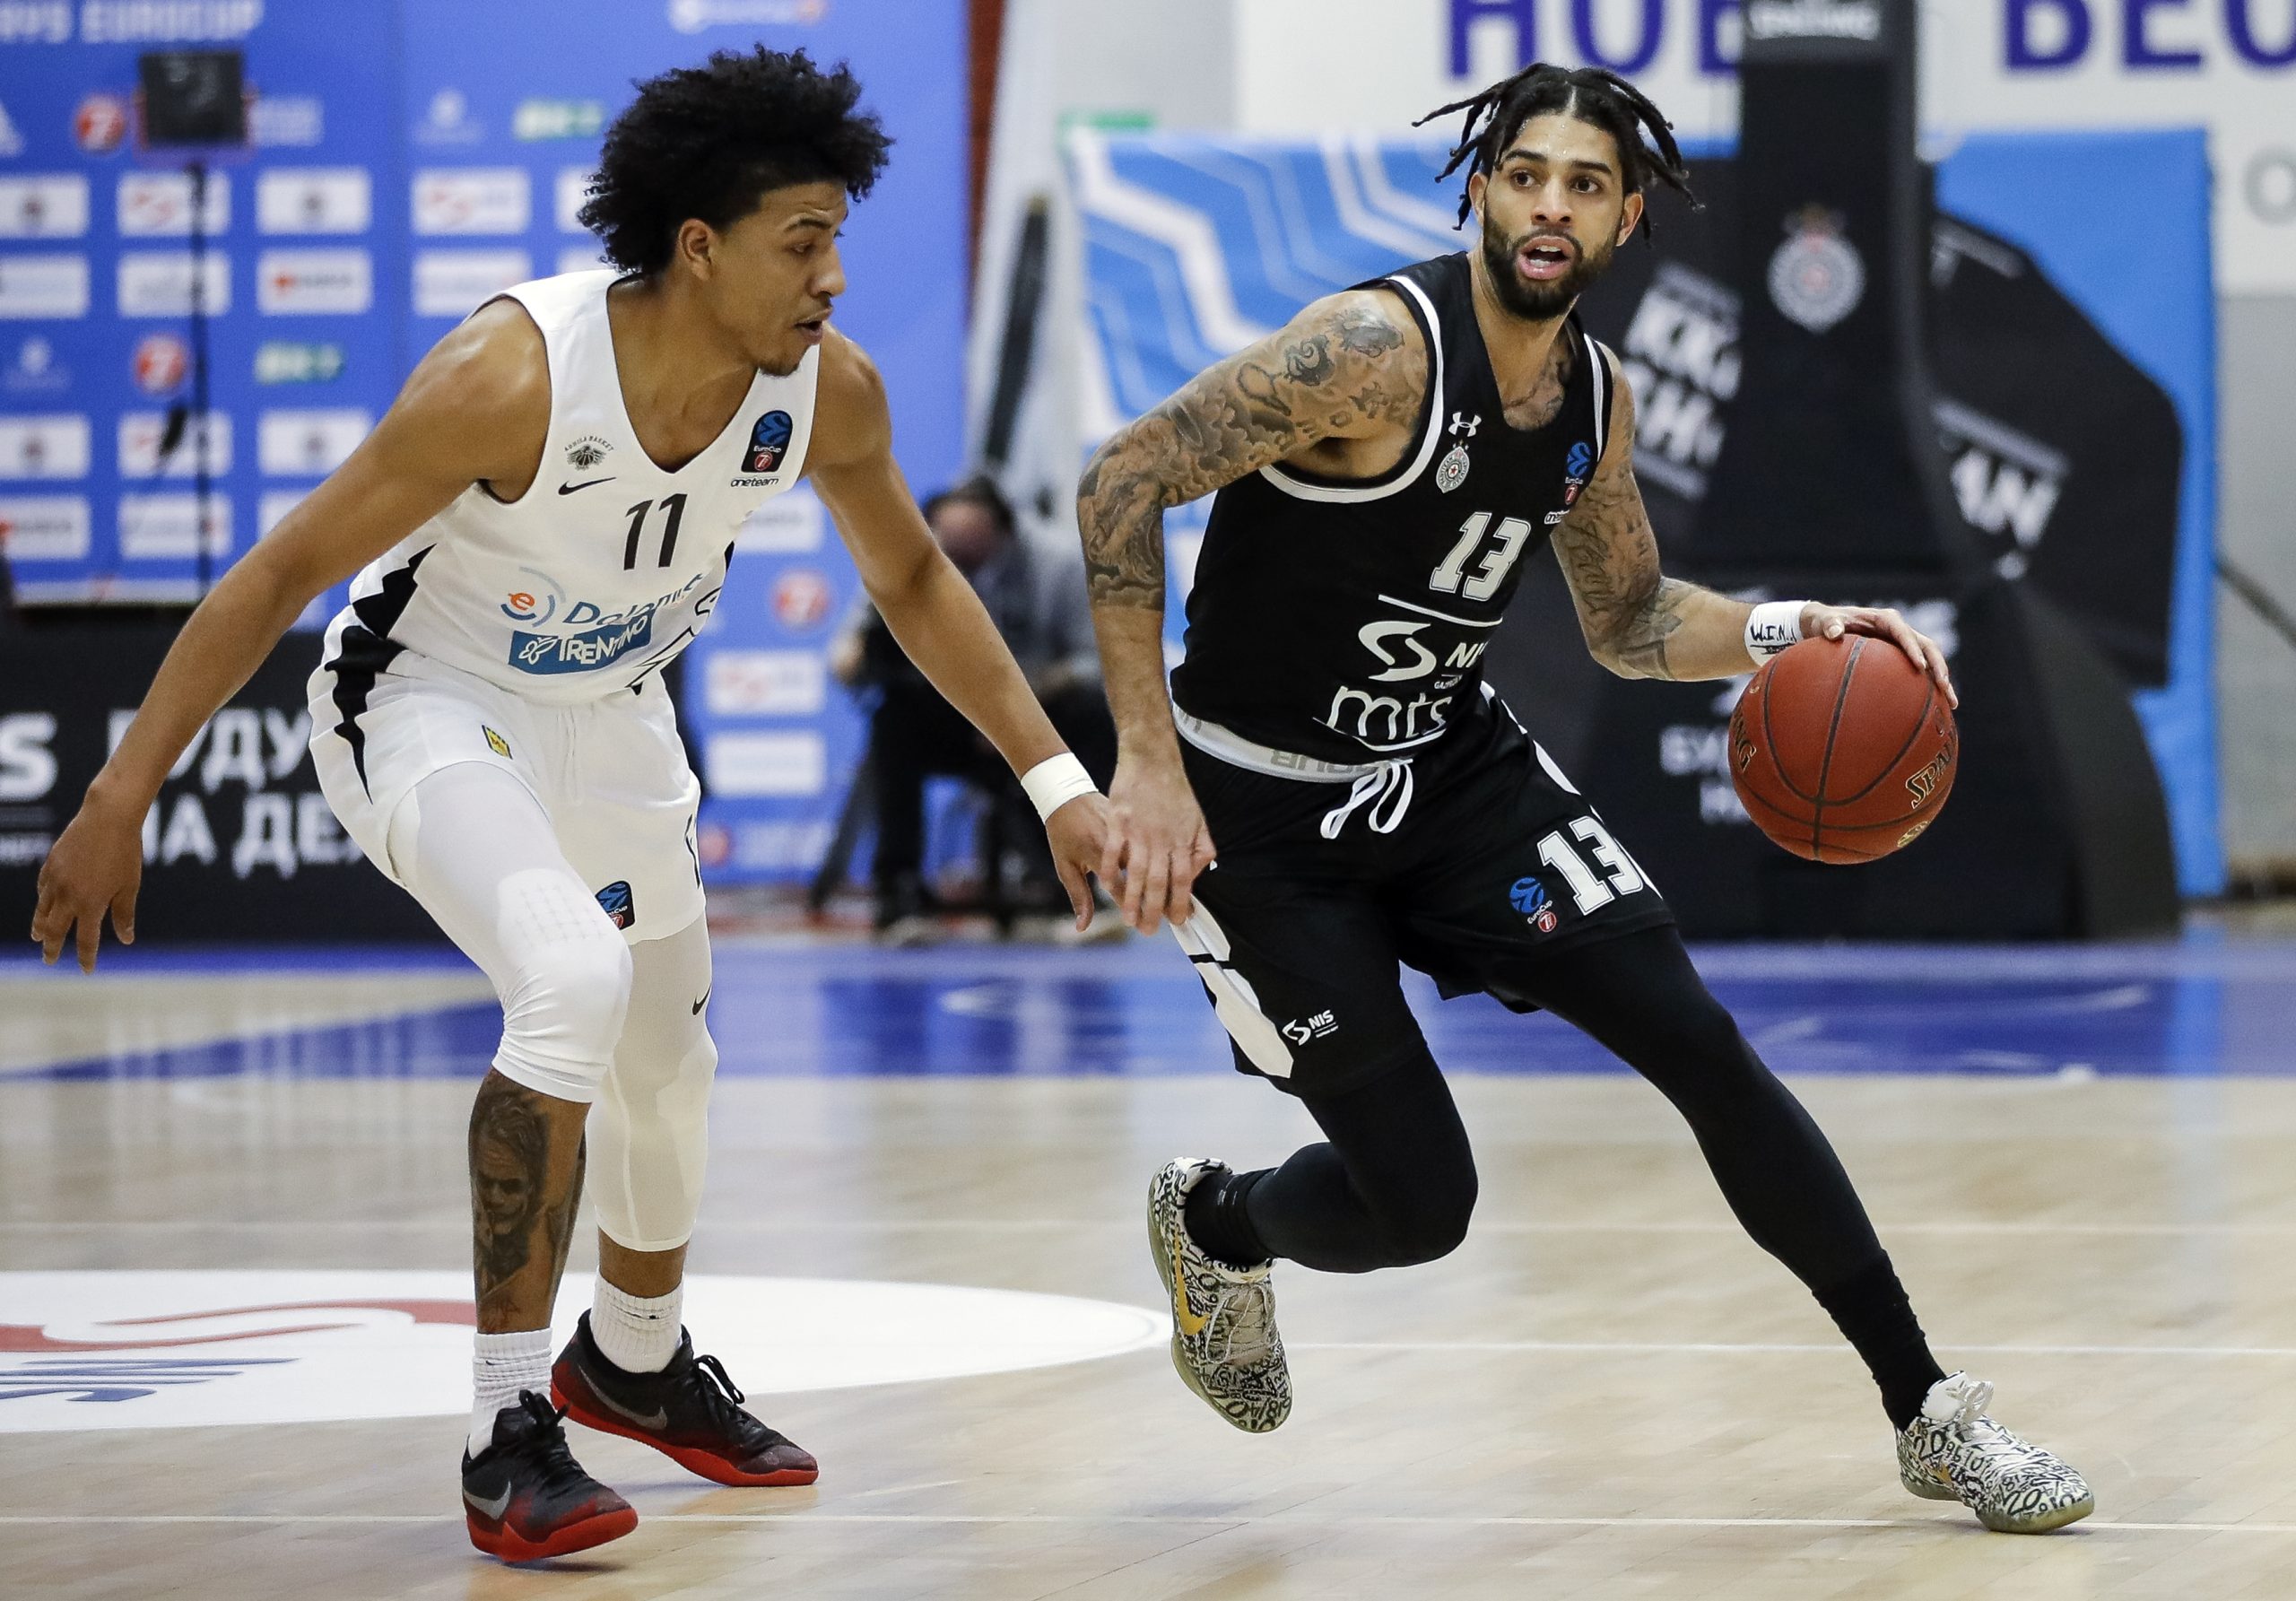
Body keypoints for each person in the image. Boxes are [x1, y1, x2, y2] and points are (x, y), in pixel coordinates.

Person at [30, 48, 1106, 1564]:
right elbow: (278, 575)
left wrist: (1055, 779)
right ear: (700, 248)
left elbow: (916, 577)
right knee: (571, 983)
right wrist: (119, 792)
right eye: (806, 240)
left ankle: (638, 1362)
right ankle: (500, 1428)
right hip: (427, 702)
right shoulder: (511, 375)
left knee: (671, 1055)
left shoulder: (824, 393)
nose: (835, 276)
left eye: (841, 239)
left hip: (609, 710)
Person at [1075, 62, 2092, 1536]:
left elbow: (1625, 620)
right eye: (1529, 173)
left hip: (1449, 775)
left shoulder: (1588, 402)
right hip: (1270, 823)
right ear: (1483, 189)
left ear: (1625, 225)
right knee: (1422, 1208)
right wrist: (1148, 761)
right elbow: (1121, 481)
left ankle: (1930, 1411)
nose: (1554, 202)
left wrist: (1789, 628)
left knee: (1703, 1046)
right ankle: (1221, 1220)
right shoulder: (1367, 352)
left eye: (1589, 184)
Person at [830, 475, 1115, 939]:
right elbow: (847, 652)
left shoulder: (1055, 564)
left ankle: (1093, 883)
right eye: (950, 547)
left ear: (1003, 531)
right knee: (893, 718)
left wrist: (1013, 716)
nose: (959, 560)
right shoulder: (911, 558)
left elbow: (1091, 660)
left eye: (972, 548)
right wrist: (855, 654)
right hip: (953, 718)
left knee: (1089, 712)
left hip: (1041, 711)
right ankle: (899, 893)